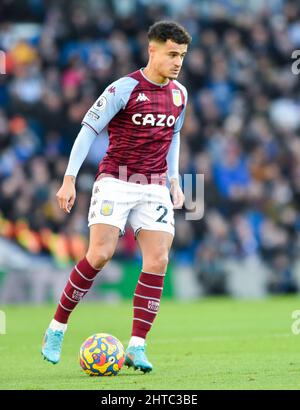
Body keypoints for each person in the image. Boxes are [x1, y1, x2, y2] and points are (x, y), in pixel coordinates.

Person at [42, 20, 191, 373]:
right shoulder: (123, 88)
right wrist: (68, 179)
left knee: (158, 260)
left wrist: (174, 180)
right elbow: (88, 130)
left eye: (182, 56)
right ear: (152, 49)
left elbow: (174, 137)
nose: (177, 62)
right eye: (172, 54)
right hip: (116, 180)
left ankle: (137, 346)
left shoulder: (179, 95)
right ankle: (56, 328)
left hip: (154, 185)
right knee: (101, 254)